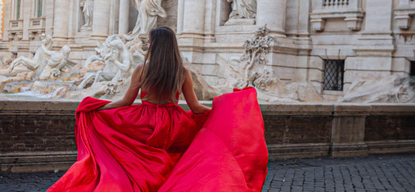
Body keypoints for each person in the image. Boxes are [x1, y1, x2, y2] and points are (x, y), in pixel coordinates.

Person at [47, 27, 268, 192]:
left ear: (154, 45)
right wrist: (222, 111)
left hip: (144, 121)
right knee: (175, 160)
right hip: (175, 124)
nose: (147, 45)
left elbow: (126, 101)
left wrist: (98, 107)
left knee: (139, 159)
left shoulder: (142, 69)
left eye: (149, 42)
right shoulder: (182, 71)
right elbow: (196, 107)